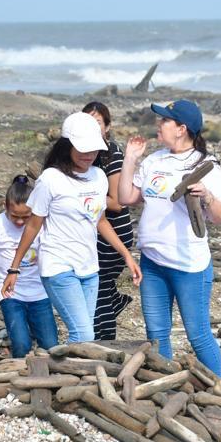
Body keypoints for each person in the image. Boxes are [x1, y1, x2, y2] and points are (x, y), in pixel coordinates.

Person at [6, 112, 141, 344]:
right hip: (58, 266)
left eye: (94, 150)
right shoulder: (50, 178)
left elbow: (100, 221)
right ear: (66, 146)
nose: (89, 155)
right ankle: (66, 373)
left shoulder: (99, 177)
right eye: (83, 149)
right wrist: (14, 269)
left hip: (89, 267)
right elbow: (33, 226)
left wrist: (127, 255)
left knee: (85, 336)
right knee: (84, 334)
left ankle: (71, 375)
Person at [119, 99, 221, 377]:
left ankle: (219, 390)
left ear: (181, 129)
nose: (159, 124)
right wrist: (130, 159)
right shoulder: (155, 160)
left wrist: (206, 194)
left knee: (198, 334)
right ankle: (165, 387)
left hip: (189, 264)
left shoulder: (205, 164)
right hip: (153, 262)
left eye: (165, 120)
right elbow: (126, 198)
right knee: (156, 334)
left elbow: (218, 216)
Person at [0, 175, 58, 358]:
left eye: (25, 217)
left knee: (50, 345)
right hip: (10, 292)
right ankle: (17, 374)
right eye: (14, 216)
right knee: (21, 343)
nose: (19, 222)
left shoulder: (42, 224)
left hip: (40, 292)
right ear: (5, 207)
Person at [83, 101, 135, 341]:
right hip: (91, 229)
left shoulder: (111, 152)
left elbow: (116, 202)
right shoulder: (79, 151)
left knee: (99, 285)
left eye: (98, 123)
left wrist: (79, 195)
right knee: (99, 288)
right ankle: (103, 332)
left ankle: (104, 340)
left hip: (113, 229)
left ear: (107, 127)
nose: (92, 128)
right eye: (87, 122)